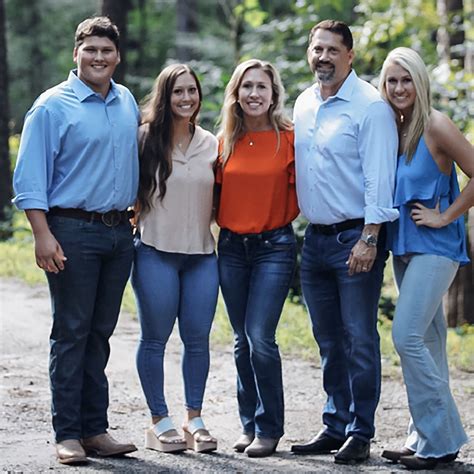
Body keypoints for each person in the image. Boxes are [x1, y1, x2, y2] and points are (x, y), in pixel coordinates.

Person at [12, 16, 139, 465]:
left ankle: (94, 429)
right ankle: (67, 433)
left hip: (119, 234)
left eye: (106, 50)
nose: (99, 58)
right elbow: (29, 180)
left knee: (100, 334)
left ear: (117, 56)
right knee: (71, 332)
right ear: (76, 54)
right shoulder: (51, 106)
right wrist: (42, 236)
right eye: (90, 50)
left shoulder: (125, 101)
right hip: (71, 231)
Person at [291, 20, 398, 464]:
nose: (324, 57)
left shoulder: (370, 106)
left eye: (333, 50)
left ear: (350, 56)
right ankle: (335, 423)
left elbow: (379, 178)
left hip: (357, 237)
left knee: (358, 337)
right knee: (327, 338)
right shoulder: (303, 103)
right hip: (314, 240)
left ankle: (361, 430)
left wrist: (370, 238)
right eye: (318, 49)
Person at [378, 47, 472, 471]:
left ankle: (444, 436)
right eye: (392, 81)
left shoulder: (435, 125)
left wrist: (445, 215)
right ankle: (423, 437)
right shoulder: (392, 129)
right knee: (429, 344)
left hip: (437, 248)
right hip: (406, 250)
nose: (399, 88)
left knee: (406, 337)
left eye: (406, 80)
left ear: (421, 83)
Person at [131, 64, 219, 454]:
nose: (186, 98)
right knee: (155, 339)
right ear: (165, 97)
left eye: (192, 91)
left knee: (197, 340)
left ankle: (193, 419)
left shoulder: (213, 143)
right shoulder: (143, 139)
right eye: (177, 92)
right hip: (155, 252)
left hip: (202, 255)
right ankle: (159, 420)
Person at [215, 59, 299, 458]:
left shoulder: (290, 139)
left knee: (259, 336)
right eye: (246, 86)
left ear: (274, 93)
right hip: (231, 248)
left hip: (274, 248)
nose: (253, 94)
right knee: (240, 340)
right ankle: (249, 423)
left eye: (261, 87)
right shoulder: (223, 142)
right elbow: (211, 196)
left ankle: (270, 428)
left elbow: (304, 194)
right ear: (236, 93)